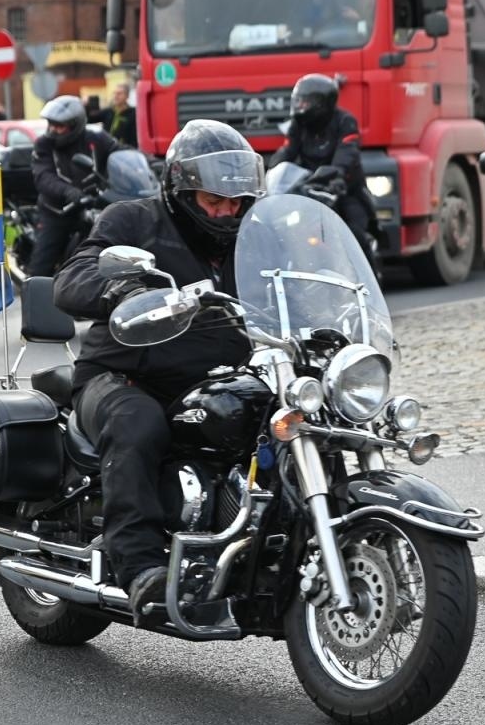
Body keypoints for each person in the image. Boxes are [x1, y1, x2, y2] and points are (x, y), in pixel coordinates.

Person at [54, 120, 263, 617]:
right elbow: (73, 277)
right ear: (181, 191)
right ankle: (141, 564)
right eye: (215, 202)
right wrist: (121, 290)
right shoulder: (133, 220)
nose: (227, 213)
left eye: (236, 203)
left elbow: (294, 283)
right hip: (122, 374)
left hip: (213, 379)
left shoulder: (251, 240)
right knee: (138, 422)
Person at [269, 73, 375, 259]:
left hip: (343, 189)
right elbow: (287, 151)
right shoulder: (298, 125)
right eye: (298, 101)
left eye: (305, 102)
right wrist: (270, 173)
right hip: (307, 189)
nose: (300, 107)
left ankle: (371, 280)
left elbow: (347, 151)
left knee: (355, 234)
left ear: (322, 103)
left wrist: (337, 173)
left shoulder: (345, 121)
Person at [29, 94, 117, 278]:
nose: (53, 129)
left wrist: (148, 163)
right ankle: (33, 299)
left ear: (75, 124)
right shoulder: (44, 145)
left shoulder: (95, 139)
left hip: (93, 206)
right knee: (41, 266)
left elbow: (120, 151)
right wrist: (68, 191)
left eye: (59, 126)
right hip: (58, 211)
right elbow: (44, 176)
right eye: (51, 124)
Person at [101, 83, 137, 148]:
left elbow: (134, 138)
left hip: (125, 151)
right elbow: (90, 118)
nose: (116, 96)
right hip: (107, 150)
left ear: (127, 96)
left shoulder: (133, 113)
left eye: (119, 93)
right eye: (114, 93)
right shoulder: (108, 111)